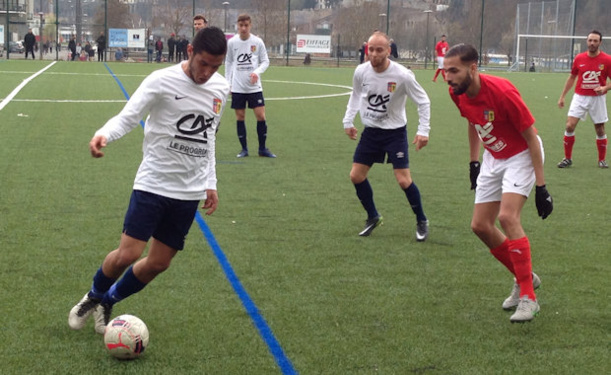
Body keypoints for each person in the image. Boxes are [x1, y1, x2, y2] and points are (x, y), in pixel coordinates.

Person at [67, 27, 230, 335]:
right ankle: (93, 295)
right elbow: (129, 116)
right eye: (203, 63)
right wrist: (103, 135)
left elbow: (209, 138)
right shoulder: (161, 80)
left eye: (215, 67)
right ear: (191, 51)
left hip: (189, 192)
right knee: (128, 254)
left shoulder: (221, 88)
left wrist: (212, 182)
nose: (207, 73)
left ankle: (109, 301)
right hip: (153, 183)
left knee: (158, 264)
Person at [443, 43, 553, 323]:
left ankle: (529, 297)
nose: (448, 77)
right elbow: (472, 121)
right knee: (480, 226)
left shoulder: (503, 92)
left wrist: (541, 187)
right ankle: (524, 275)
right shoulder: (457, 92)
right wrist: (473, 161)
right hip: (493, 156)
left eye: (454, 70)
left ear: (473, 68)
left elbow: (531, 137)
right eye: (445, 71)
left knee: (507, 217)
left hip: (522, 155)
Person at [343, 31, 431, 241]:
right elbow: (355, 95)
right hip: (371, 132)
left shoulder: (402, 75)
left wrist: (423, 130)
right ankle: (373, 216)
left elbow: (423, 101)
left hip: (395, 133)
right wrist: (348, 120)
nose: (374, 54)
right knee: (356, 176)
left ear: (388, 52)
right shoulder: (361, 71)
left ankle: (421, 220)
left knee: (403, 180)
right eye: (370, 49)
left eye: (379, 50)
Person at [557, 30, 611, 169]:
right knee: (569, 125)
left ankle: (601, 160)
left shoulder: (607, 60)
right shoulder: (579, 58)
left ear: (600, 43)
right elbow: (572, 77)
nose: (592, 43)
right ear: (587, 41)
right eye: (590, 40)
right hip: (579, 97)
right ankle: (567, 158)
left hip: (597, 99)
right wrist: (562, 96)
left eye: (595, 41)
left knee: (599, 129)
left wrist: (605, 88)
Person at [225, 13, 276, 158]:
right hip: (238, 86)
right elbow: (228, 63)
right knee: (240, 116)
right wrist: (228, 83)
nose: (243, 28)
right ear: (237, 26)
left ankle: (262, 149)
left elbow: (265, 61)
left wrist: (257, 72)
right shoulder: (232, 43)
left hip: (254, 87)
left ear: (250, 25)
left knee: (260, 116)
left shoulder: (257, 42)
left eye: (246, 25)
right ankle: (244, 149)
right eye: (241, 25)